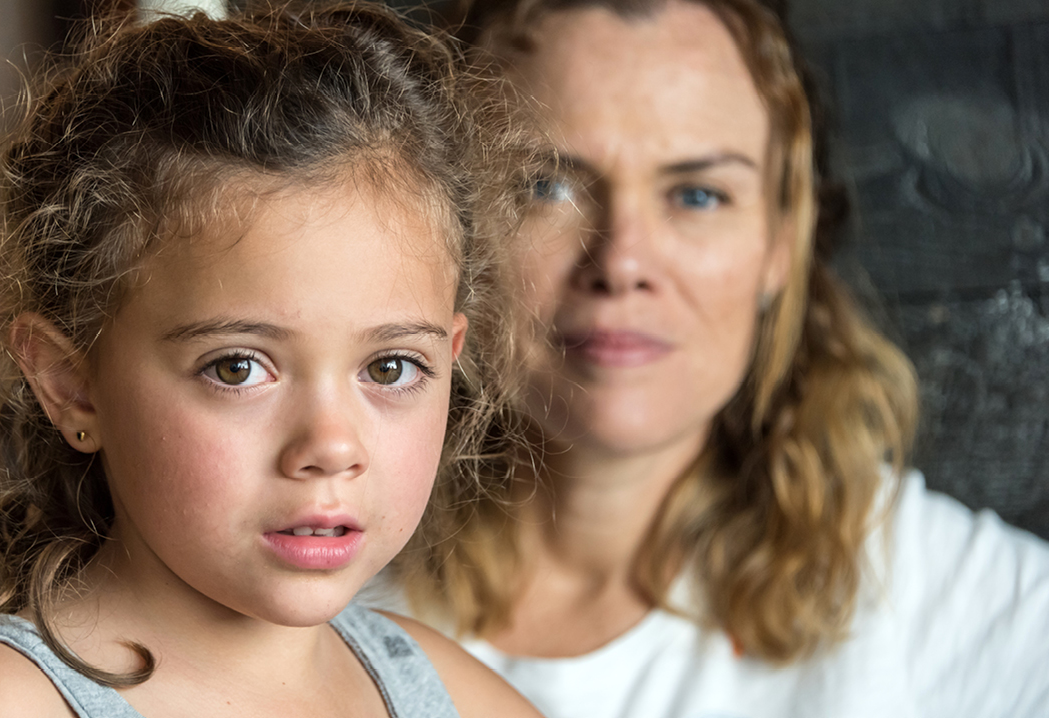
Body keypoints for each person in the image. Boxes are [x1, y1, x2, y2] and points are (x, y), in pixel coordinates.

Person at [382, 1, 1049, 716]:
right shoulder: (305, 581)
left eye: (697, 194)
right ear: (447, 221)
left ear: (779, 242)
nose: (623, 260)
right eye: (546, 185)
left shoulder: (964, 613)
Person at [0, 5, 544, 716]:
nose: (329, 447)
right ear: (70, 385)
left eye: (390, 368)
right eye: (237, 368)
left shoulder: (445, 692)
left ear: (452, 359)